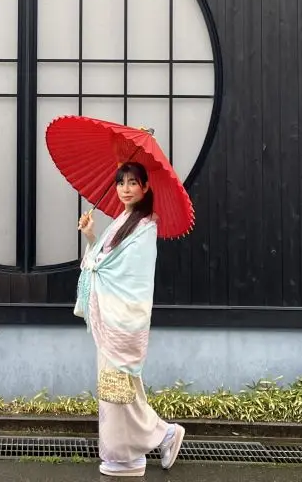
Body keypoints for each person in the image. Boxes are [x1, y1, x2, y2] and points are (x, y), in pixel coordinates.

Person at [75, 161, 186, 477]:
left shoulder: (146, 226)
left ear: (146, 187)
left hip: (122, 320)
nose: (125, 188)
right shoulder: (121, 221)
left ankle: (131, 453)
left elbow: (125, 273)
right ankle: (156, 437)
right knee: (119, 390)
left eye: (133, 182)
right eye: (121, 182)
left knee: (119, 389)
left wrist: (96, 258)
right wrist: (91, 236)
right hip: (110, 317)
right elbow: (102, 261)